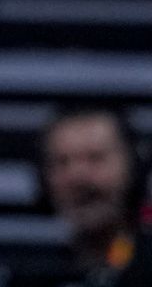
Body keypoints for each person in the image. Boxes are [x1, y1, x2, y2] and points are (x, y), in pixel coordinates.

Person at [42, 106, 151, 286]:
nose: (78, 176)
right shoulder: (37, 270)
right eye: (62, 162)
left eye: (95, 158)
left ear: (134, 167)